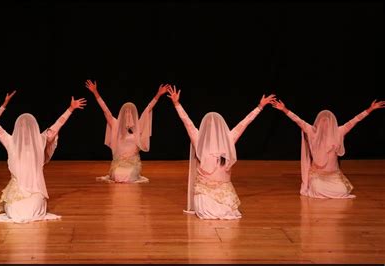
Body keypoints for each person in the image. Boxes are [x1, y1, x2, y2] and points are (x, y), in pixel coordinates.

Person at [0, 90, 86, 223]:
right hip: (28, 199)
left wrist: (70, 109)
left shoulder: (32, 141)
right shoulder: (23, 141)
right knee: (25, 208)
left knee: (20, 207)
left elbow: (57, 125)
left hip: (27, 199)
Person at [167, 85, 276, 219]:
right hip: (204, 192)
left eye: (215, 127)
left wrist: (260, 107)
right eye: (210, 126)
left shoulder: (228, 139)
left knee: (227, 212)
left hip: (222, 190)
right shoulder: (198, 139)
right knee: (208, 212)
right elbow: (187, 121)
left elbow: (245, 123)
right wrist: (176, 103)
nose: (212, 130)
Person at [272, 98, 385, 198]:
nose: (325, 124)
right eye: (322, 121)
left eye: (327, 121)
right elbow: (298, 120)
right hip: (318, 175)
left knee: (343, 191)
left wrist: (370, 109)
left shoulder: (339, 132)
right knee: (317, 189)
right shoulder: (312, 132)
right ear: (318, 122)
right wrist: (284, 109)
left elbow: (355, 120)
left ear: (332, 123)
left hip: (333, 175)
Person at [85, 79, 168, 183]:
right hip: (119, 162)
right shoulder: (116, 125)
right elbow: (105, 109)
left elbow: (148, 109)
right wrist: (95, 92)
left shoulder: (138, 126)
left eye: (130, 112)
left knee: (128, 176)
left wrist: (158, 95)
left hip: (132, 163)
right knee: (118, 176)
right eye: (126, 112)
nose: (128, 115)